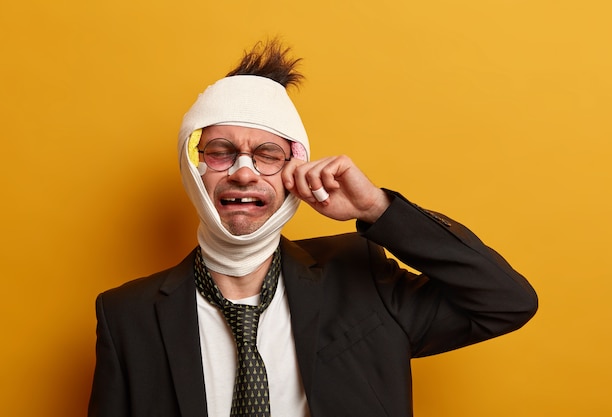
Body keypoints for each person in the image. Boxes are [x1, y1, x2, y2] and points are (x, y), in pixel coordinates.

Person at [88, 39, 538, 417]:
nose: (244, 173)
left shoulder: (361, 278)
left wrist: (378, 209)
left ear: (294, 170)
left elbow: (506, 303)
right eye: (221, 151)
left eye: (267, 154)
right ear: (194, 167)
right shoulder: (127, 317)